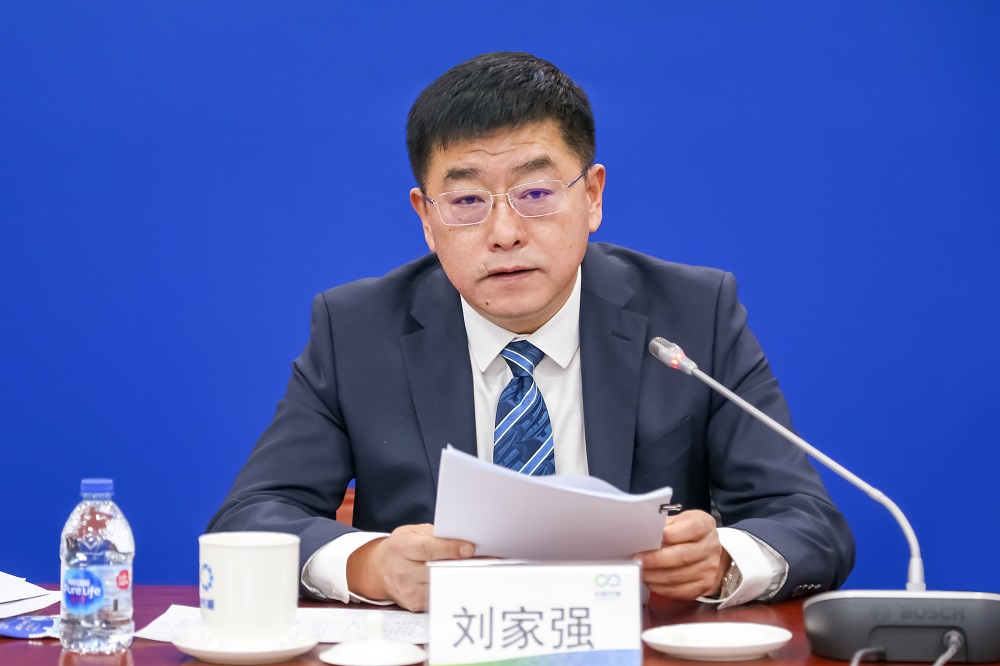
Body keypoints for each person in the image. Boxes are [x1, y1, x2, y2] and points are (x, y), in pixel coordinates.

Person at [207, 51, 854, 612]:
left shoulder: (692, 315)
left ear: (592, 196)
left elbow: (809, 522)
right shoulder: (356, 329)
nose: (505, 232)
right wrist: (371, 565)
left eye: (537, 194)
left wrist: (723, 560)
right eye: (467, 201)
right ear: (426, 218)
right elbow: (249, 519)